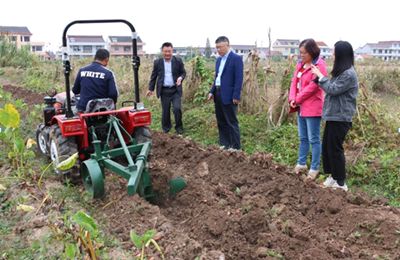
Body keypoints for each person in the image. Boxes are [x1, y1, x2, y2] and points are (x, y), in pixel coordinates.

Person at [311, 41, 358, 191]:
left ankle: (341, 182)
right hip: (333, 116)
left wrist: (320, 76)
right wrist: (318, 79)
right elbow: (329, 86)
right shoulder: (341, 72)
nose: (332, 54)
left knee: (335, 149)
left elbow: (332, 89)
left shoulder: (349, 74)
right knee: (328, 147)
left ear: (341, 54)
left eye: (334, 51)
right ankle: (333, 176)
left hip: (341, 117)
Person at [288, 39, 327, 180]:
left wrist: (297, 99)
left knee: (314, 139)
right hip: (301, 107)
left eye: (304, 53)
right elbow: (294, 82)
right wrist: (292, 98)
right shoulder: (301, 64)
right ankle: (301, 163)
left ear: (311, 52)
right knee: (303, 137)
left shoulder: (319, 65)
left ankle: (314, 167)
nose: (301, 55)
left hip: (313, 107)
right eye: (300, 52)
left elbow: (313, 87)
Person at [208, 36, 244, 150]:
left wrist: (236, 95)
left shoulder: (236, 58)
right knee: (221, 121)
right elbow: (217, 78)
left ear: (227, 45)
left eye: (220, 47)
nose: (218, 50)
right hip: (218, 94)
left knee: (231, 121)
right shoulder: (218, 60)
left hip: (229, 95)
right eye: (217, 48)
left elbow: (239, 79)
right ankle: (224, 144)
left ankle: (236, 147)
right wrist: (211, 91)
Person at [147, 42, 186, 134]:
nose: (167, 53)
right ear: (162, 51)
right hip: (164, 90)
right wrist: (150, 89)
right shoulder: (158, 62)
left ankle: (179, 127)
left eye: (169, 51)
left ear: (172, 51)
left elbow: (183, 73)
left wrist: (181, 78)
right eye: (165, 51)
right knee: (165, 111)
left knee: (177, 108)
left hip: (175, 90)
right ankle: (166, 129)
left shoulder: (178, 61)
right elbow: (154, 76)